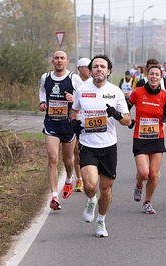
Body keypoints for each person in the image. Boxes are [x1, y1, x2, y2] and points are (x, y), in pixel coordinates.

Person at [70, 54, 132, 238]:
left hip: (108, 146)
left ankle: (101, 221)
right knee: (90, 185)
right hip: (88, 145)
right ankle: (90, 200)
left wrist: (118, 115)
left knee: (106, 190)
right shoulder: (82, 90)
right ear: (91, 70)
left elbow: (128, 121)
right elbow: (74, 110)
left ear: (108, 71)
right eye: (95, 66)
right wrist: (74, 123)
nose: (98, 69)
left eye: (102, 66)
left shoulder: (115, 91)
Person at [39, 51, 84, 210]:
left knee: (68, 160)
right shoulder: (46, 77)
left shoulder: (74, 78)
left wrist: (74, 99)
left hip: (67, 124)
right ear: (52, 61)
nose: (59, 60)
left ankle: (69, 179)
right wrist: (42, 102)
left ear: (67, 62)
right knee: (52, 157)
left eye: (62, 58)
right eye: (56, 58)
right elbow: (42, 91)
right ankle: (54, 196)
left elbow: (83, 96)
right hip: (51, 123)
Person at [128, 65, 166, 214]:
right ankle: (139, 184)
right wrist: (127, 120)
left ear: (161, 77)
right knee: (144, 173)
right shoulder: (137, 92)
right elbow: (125, 107)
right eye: (151, 74)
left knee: (153, 174)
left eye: (157, 74)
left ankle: (147, 202)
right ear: (146, 75)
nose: (154, 77)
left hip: (157, 138)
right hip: (140, 137)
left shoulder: (165, 95)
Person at [73, 57, 92, 192]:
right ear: (80, 68)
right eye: (88, 67)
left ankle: (90, 177)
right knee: (77, 153)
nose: (91, 70)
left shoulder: (94, 82)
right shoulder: (73, 80)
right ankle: (79, 179)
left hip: (90, 121)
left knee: (91, 151)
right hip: (76, 121)